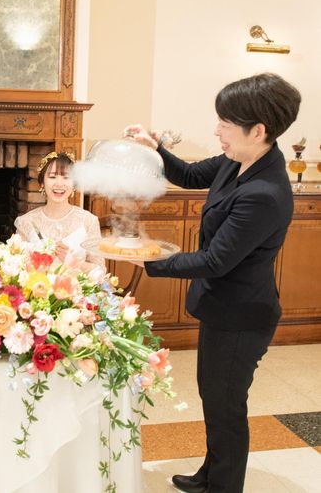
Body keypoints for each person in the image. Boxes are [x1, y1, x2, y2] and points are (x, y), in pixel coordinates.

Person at [123, 72, 301, 493]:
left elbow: (216, 260)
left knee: (226, 406)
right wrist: (155, 148)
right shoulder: (239, 160)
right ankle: (212, 474)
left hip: (242, 317)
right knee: (216, 400)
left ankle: (223, 486)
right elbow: (187, 175)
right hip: (223, 308)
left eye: (225, 122)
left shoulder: (264, 192)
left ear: (258, 130)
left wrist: (149, 258)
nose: (217, 130)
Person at [15, 151, 105, 271]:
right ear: (42, 183)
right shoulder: (25, 222)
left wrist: (74, 262)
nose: (59, 184)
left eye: (66, 177)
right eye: (52, 177)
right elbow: (17, 267)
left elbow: (100, 271)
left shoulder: (89, 221)